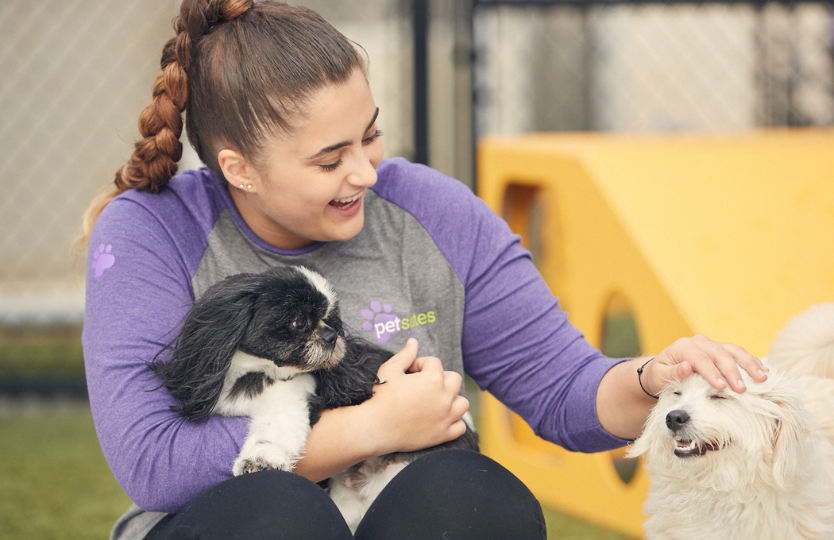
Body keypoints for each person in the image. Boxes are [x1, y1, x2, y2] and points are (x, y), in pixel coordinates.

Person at [80, 1, 768, 539]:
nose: (365, 171)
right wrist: (373, 428)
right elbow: (153, 460)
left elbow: (564, 390)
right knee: (277, 516)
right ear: (238, 168)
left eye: (370, 135)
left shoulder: (433, 210)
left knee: (476, 501)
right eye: (329, 159)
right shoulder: (148, 231)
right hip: (232, 522)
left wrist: (654, 378)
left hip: (393, 503)